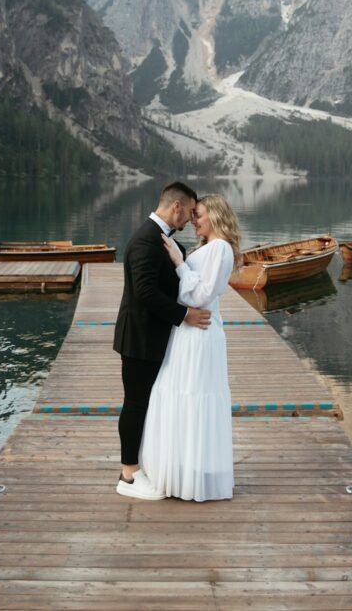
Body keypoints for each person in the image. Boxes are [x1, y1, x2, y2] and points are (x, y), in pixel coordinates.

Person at [136, 193, 241, 501]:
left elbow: (200, 297)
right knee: (177, 394)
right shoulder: (207, 247)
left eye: (200, 214)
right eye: (193, 215)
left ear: (216, 216)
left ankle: (193, 477)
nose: (194, 220)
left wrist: (180, 264)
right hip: (187, 331)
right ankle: (183, 472)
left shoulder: (220, 248)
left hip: (200, 333)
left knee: (193, 395)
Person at [114, 181, 213, 499]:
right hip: (139, 338)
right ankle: (128, 474)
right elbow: (145, 292)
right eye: (190, 213)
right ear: (177, 207)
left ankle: (143, 465)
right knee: (136, 403)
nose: (189, 221)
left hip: (152, 336)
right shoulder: (145, 240)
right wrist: (185, 315)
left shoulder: (160, 239)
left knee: (147, 402)